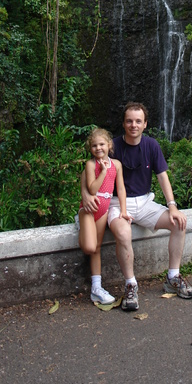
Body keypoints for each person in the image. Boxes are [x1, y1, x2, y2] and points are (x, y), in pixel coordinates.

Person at [80, 102, 192, 311]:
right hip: (116, 204)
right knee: (124, 234)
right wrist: (85, 194)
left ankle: (173, 277)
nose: (133, 125)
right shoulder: (112, 146)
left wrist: (172, 206)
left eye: (138, 121)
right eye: (129, 121)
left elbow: (163, 177)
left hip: (144, 202)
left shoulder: (152, 146)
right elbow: (90, 168)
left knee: (179, 223)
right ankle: (130, 285)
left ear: (145, 124)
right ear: (124, 124)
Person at [78, 127, 131, 305]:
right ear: (90, 148)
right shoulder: (91, 165)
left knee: (98, 248)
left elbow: (121, 188)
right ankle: (82, 228)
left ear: (109, 145)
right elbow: (92, 189)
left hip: (104, 209)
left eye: (102, 144)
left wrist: (123, 211)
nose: (98, 148)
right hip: (89, 210)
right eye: (94, 145)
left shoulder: (116, 165)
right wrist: (102, 171)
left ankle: (96, 288)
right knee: (90, 247)